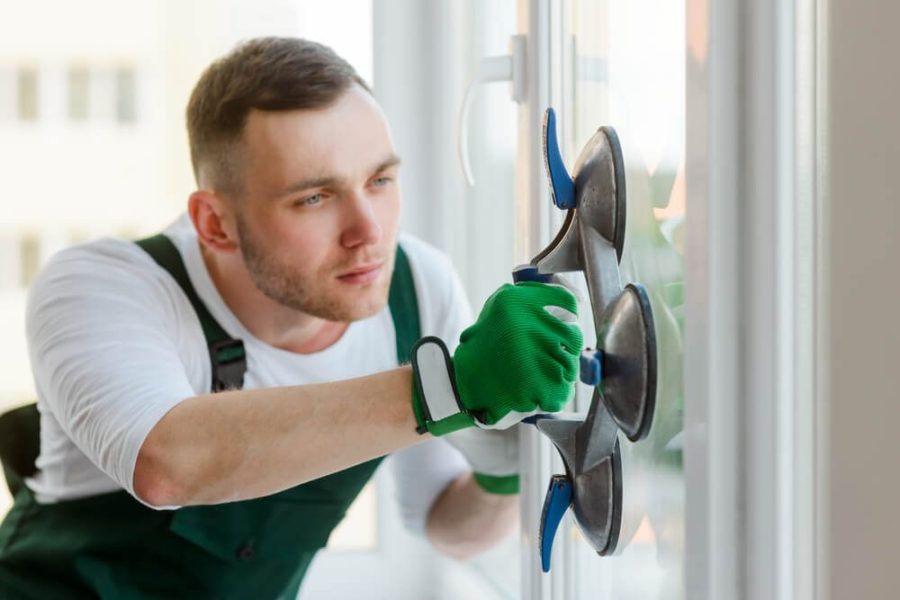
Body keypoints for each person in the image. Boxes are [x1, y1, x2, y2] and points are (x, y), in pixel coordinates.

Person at [0, 37, 582, 598]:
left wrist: (503, 474)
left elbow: (444, 522)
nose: (370, 233)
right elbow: (167, 464)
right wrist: (448, 389)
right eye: (314, 198)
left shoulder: (416, 287)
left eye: (380, 180)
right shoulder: (104, 285)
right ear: (214, 223)